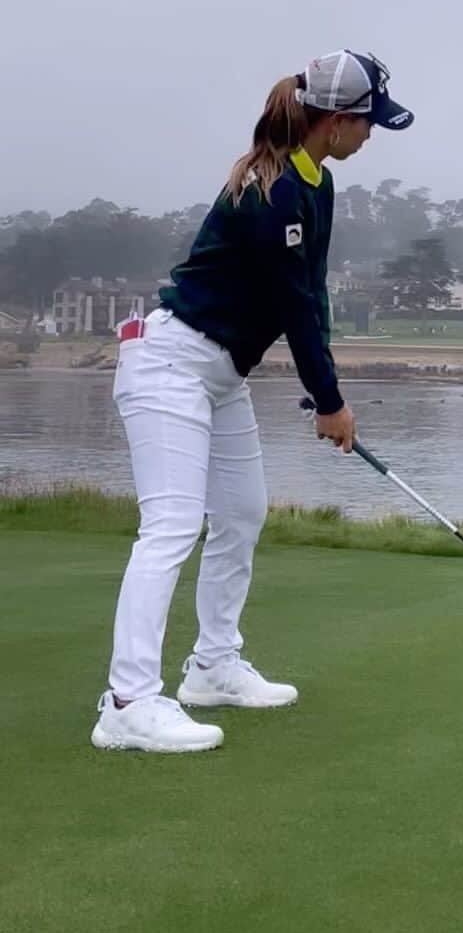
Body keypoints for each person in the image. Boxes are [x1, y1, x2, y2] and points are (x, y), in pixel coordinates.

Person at [92, 50, 413, 755]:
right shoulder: (271, 199)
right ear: (333, 122)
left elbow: (312, 296)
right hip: (169, 362)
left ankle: (212, 666)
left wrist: (331, 392)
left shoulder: (314, 185)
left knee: (240, 511)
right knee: (172, 525)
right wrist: (329, 402)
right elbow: (293, 306)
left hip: (219, 372)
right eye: (366, 124)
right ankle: (127, 702)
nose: (371, 136)